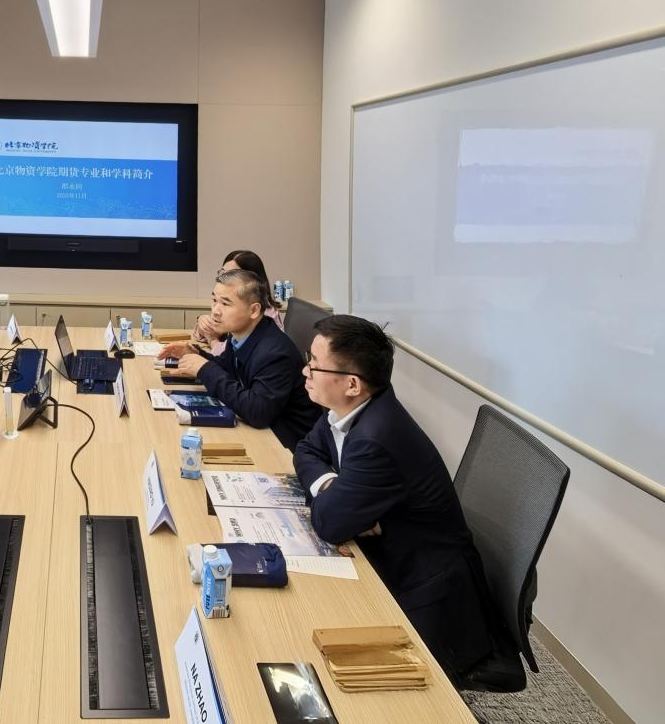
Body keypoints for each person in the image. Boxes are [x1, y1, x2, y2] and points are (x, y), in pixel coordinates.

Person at [293, 315, 524, 690]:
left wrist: (338, 501)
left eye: (315, 364)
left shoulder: (376, 438)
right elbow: (305, 449)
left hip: (426, 594)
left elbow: (329, 523)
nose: (306, 370)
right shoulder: (349, 409)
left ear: (352, 384)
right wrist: (332, 484)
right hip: (394, 555)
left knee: (313, 635)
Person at [158, 269, 320, 450]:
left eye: (225, 304)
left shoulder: (275, 354)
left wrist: (205, 368)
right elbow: (228, 369)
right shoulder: (240, 334)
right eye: (214, 300)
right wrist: (196, 354)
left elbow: (257, 412)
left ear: (254, 310)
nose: (215, 311)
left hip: (286, 445)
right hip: (263, 432)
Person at [190, 250, 284, 352]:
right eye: (223, 273)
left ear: (251, 281)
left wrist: (212, 339)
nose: (224, 279)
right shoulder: (231, 304)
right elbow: (207, 334)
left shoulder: (264, 315)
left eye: (232, 274)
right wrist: (202, 321)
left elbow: (232, 353)